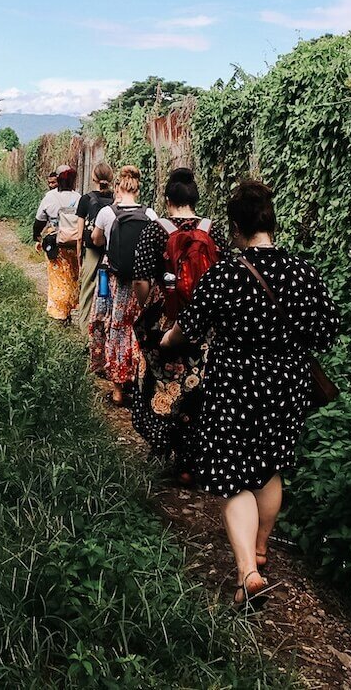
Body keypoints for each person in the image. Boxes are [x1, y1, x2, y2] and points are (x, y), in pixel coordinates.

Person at [160, 180, 340, 606]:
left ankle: (248, 573)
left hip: (236, 384)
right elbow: (328, 329)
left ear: (236, 227)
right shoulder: (302, 272)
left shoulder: (226, 273)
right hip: (287, 385)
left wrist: (168, 340)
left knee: (229, 472)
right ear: (271, 222)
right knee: (270, 465)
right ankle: (260, 548)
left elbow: (191, 324)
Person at [132, 168, 226, 479]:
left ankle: (164, 447)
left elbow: (142, 279)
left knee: (163, 384)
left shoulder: (155, 230)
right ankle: (191, 459)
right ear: (194, 199)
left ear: (168, 199)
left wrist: (145, 306)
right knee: (196, 384)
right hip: (205, 324)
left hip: (166, 320)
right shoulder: (213, 231)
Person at [90, 165, 157, 405]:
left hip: (115, 281)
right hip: (143, 283)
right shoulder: (150, 215)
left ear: (118, 185)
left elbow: (96, 240)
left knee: (115, 328)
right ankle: (138, 385)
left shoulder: (108, 213)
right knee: (138, 329)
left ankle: (118, 390)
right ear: (138, 188)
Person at [33, 165, 81, 324]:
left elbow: (39, 221)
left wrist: (37, 237)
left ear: (58, 180)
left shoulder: (49, 197)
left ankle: (59, 314)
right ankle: (70, 308)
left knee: (58, 278)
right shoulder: (79, 198)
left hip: (55, 244)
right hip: (74, 244)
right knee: (73, 276)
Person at [74, 162, 114, 336]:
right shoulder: (115, 199)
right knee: (109, 290)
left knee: (88, 289)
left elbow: (79, 233)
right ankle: (105, 330)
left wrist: (78, 256)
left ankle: (84, 331)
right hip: (111, 251)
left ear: (93, 178)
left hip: (91, 250)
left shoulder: (86, 199)